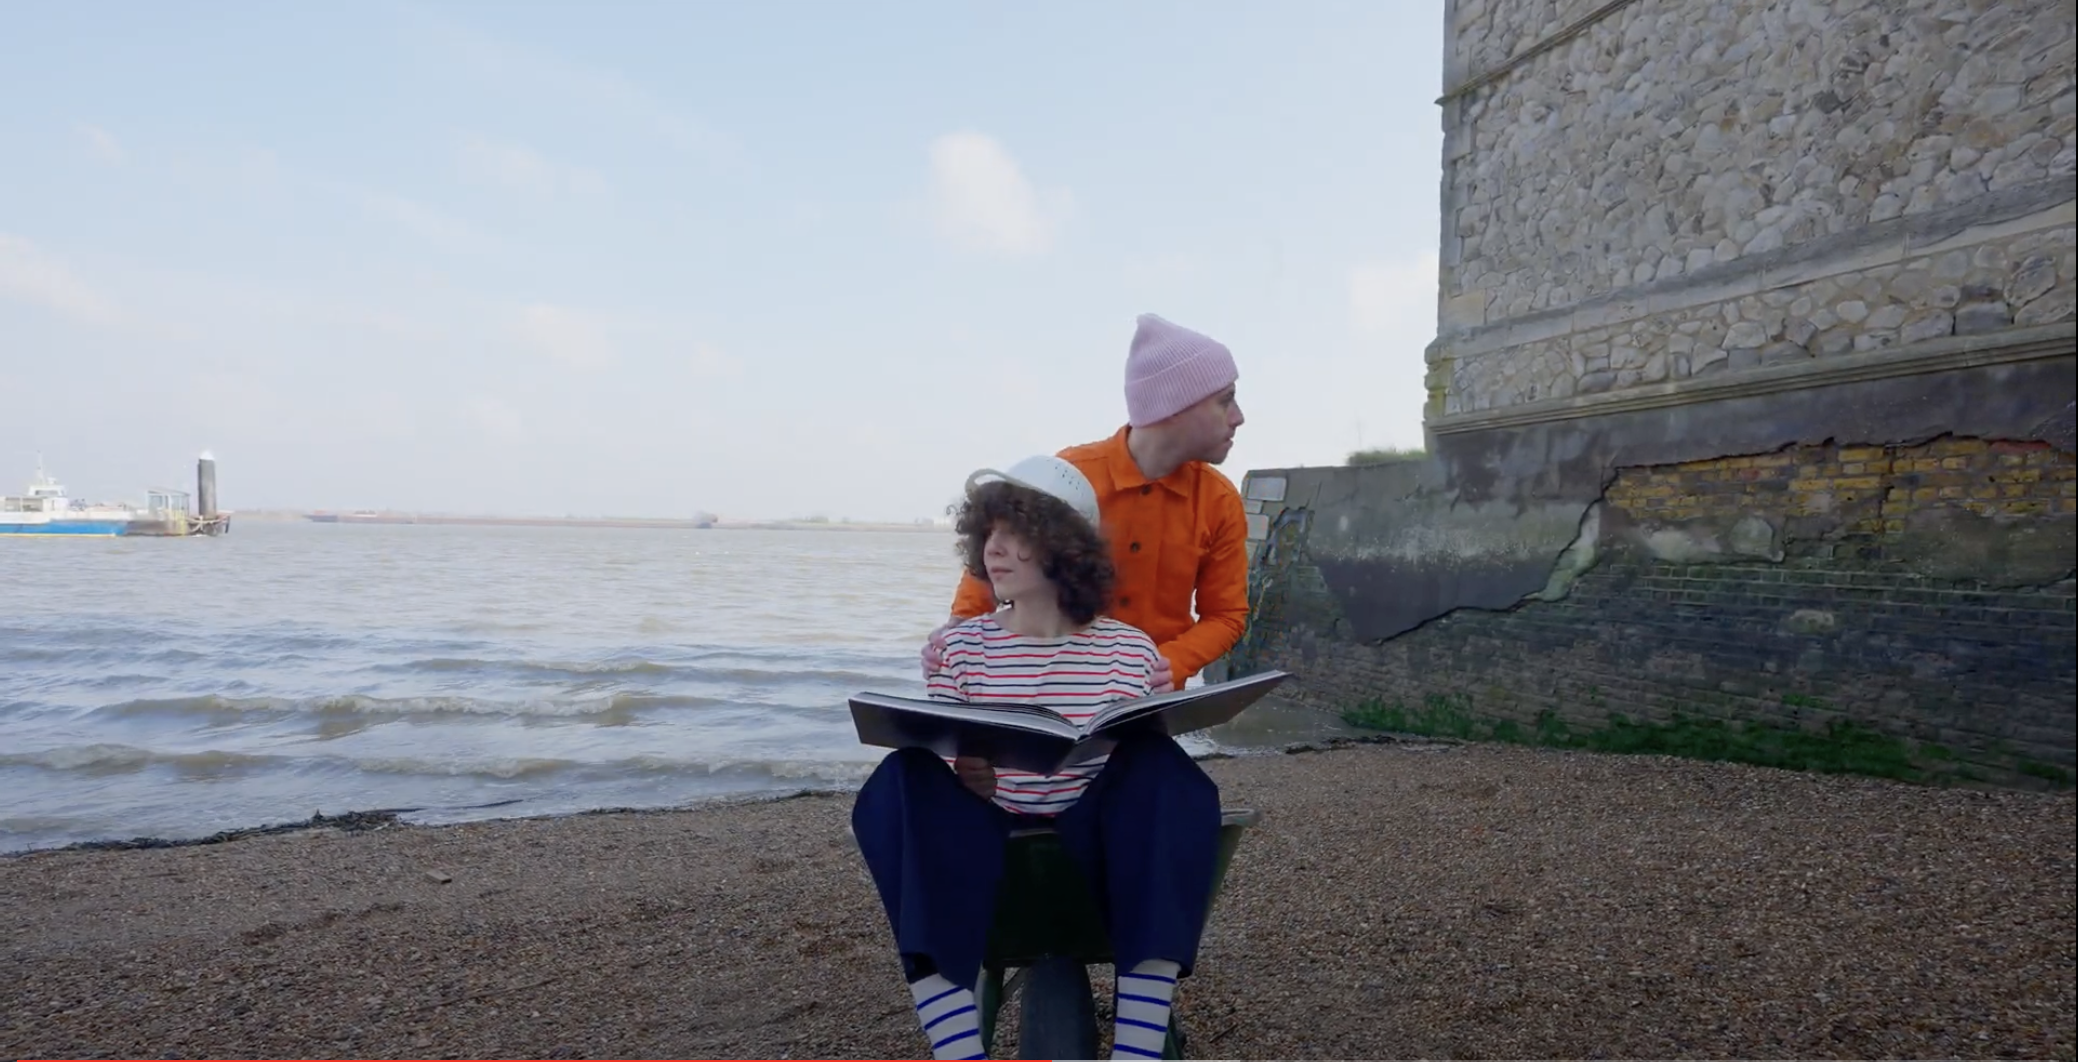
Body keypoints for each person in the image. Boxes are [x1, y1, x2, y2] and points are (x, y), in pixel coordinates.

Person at [853, 457, 1223, 1060]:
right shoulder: (960, 647)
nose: (994, 549)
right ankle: (957, 1052)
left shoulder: (1129, 651)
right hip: (990, 849)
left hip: (1098, 848)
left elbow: (1139, 780)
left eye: (1015, 533)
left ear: (1063, 546)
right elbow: (944, 755)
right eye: (987, 533)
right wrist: (964, 773)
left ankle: (1136, 1053)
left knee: (1162, 765)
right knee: (902, 774)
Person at [924, 312, 1252, 697]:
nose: (1238, 417)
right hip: (1047, 689)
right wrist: (954, 640)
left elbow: (1227, 615)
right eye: (1225, 400)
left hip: (1149, 703)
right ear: (1174, 405)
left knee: (1153, 761)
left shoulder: (1220, 500)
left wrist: (1170, 663)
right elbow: (993, 565)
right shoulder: (1065, 477)